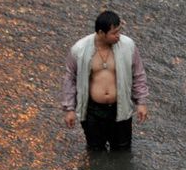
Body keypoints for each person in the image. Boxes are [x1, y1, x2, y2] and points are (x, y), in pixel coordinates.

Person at [62, 10, 149, 150]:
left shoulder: (128, 46)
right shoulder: (79, 50)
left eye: (119, 31)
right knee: (95, 149)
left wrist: (141, 102)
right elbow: (70, 79)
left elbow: (138, 75)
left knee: (123, 149)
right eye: (114, 33)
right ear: (101, 33)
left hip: (120, 108)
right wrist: (69, 109)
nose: (118, 36)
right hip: (93, 111)